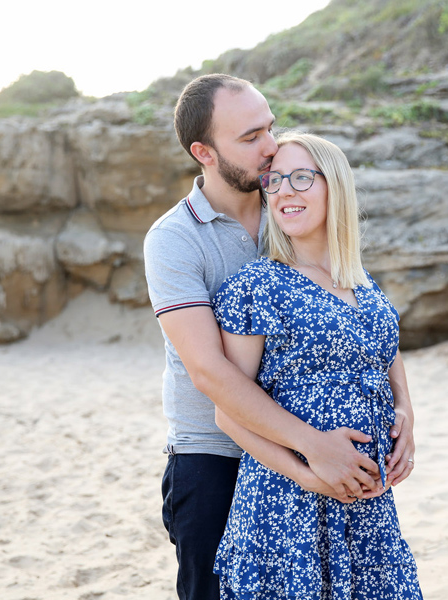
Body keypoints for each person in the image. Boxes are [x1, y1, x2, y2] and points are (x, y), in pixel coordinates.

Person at [144, 75, 416, 600]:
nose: (270, 147)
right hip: (214, 456)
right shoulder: (175, 239)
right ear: (204, 153)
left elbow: (363, 323)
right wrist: (312, 451)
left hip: (333, 465)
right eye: (250, 138)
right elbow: (210, 373)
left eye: (269, 127)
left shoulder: (289, 208)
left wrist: (402, 408)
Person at [210, 132, 422, 599]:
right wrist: (309, 475)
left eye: (301, 178)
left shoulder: (362, 284)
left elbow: (386, 353)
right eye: (275, 180)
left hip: (366, 506)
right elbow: (228, 412)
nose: (284, 191)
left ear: (335, 185)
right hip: (288, 507)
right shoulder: (257, 286)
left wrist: (405, 411)